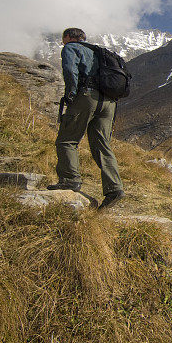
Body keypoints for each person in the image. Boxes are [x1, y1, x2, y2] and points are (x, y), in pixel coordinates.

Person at [47, 27, 124, 210]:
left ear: (68, 37)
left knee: (67, 140)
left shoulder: (71, 48)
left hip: (86, 97)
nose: (62, 42)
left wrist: (71, 94)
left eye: (63, 38)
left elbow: (70, 69)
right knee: (102, 145)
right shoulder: (98, 51)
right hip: (109, 102)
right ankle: (114, 188)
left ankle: (69, 180)